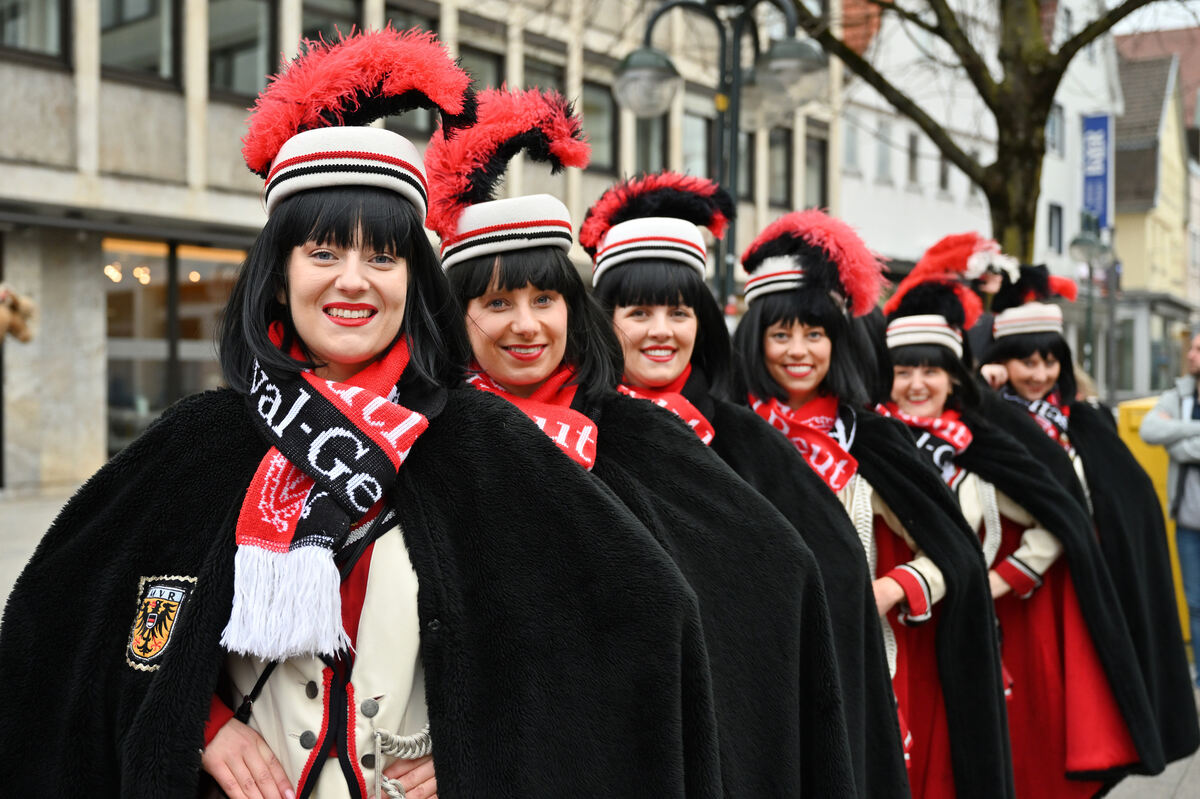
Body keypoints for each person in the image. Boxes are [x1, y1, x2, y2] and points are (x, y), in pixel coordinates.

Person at [0, 31, 726, 799]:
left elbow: (639, 627)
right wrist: (200, 720)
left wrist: (495, 743)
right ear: (278, 278)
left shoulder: (483, 443)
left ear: (413, 282)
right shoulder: (201, 440)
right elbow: (66, 627)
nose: (354, 281)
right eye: (323, 253)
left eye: (382, 258)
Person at [425, 87, 856, 796]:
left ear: (572, 308)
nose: (525, 324)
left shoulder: (633, 430)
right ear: (459, 315)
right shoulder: (429, 437)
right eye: (496, 303)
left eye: (545, 299)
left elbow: (778, 566)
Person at [582, 171, 909, 798]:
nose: (661, 331)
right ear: (603, 320)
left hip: (743, 723)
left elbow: (827, 573)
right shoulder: (573, 435)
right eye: (638, 312)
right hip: (627, 728)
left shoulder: (741, 434)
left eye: (679, 312)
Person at [731, 209, 1013, 799]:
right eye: (780, 334)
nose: (798, 350)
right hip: (756, 669)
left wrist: (891, 589)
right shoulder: (730, 434)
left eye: (815, 333)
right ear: (755, 340)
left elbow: (953, 552)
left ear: (839, 339)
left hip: (860, 663)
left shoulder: (871, 439)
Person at [884, 267, 1161, 796]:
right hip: (898, 636)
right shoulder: (868, 442)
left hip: (982, 626)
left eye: (931, 371)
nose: (917, 384)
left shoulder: (981, 443)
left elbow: (1059, 518)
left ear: (953, 377)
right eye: (903, 371)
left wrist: (990, 583)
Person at [982, 289, 1200, 771]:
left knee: (1079, 715)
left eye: (1049, 362)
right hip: (1017, 588)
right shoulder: (984, 422)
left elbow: (1126, 497)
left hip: (1077, 583)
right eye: (1025, 363)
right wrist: (982, 390)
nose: (1039, 375)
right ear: (1002, 363)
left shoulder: (1082, 419)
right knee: (1030, 716)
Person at [1139, 331, 1200, 688]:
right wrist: (1194, 429)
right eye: (1191, 347)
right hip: (1188, 520)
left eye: (1198, 349)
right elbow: (1150, 430)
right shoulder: (1179, 395)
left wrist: (1179, 442)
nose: (1190, 355)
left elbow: (1173, 444)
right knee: (1195, 602)